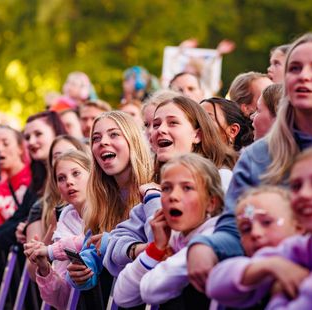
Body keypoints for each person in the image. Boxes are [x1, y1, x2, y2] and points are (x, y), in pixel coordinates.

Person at [187, 33, 312, 294]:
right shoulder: (257, 156)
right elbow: (235, 227)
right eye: (295, 68)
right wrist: (205, 246)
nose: (304, 76)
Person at [207, 146, 312, 309]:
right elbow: (216, 284)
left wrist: (279, 296)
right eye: (296, 186)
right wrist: (272, 265)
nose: (304, 193)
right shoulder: (306, 246)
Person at [104, 95, 237, 279]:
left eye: (173, 123)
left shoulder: (221, 180)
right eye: (155, 125)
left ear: (197, 135)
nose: (160, 130)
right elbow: (114, 243)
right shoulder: (157, 187)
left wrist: (153, 200)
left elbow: (173, 244)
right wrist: (142, 249)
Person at [114, 154, 223, 308]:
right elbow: (122, 296)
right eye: (166, 188)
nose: (173, 196)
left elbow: (150, 291)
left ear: (211, 202)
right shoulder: (173, 236)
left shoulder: (214, 235)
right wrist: (156, 248)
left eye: (187, 188)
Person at [66, 111, 153, 298]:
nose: (103, 142)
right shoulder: (100, 201)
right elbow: (93, 251)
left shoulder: (155, 187)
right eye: (96, 138)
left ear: (133, 141)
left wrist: (110, 245)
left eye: (114, 134)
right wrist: (82, 272)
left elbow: (159, 247)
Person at [0, 111, 67, 267]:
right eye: (27, 137)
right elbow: (16, 218)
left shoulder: (65, 174)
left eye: (38, 134)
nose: (32, 141)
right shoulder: (38, 180)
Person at [23, 150, 91, 309]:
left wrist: (50, 250)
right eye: (61, 178)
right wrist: (44, 268)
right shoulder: (65, 222)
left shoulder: (108, 210)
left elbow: (92, 241)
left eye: (76, 173)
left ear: (93, 175)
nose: (69, 182)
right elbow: (62, 300)